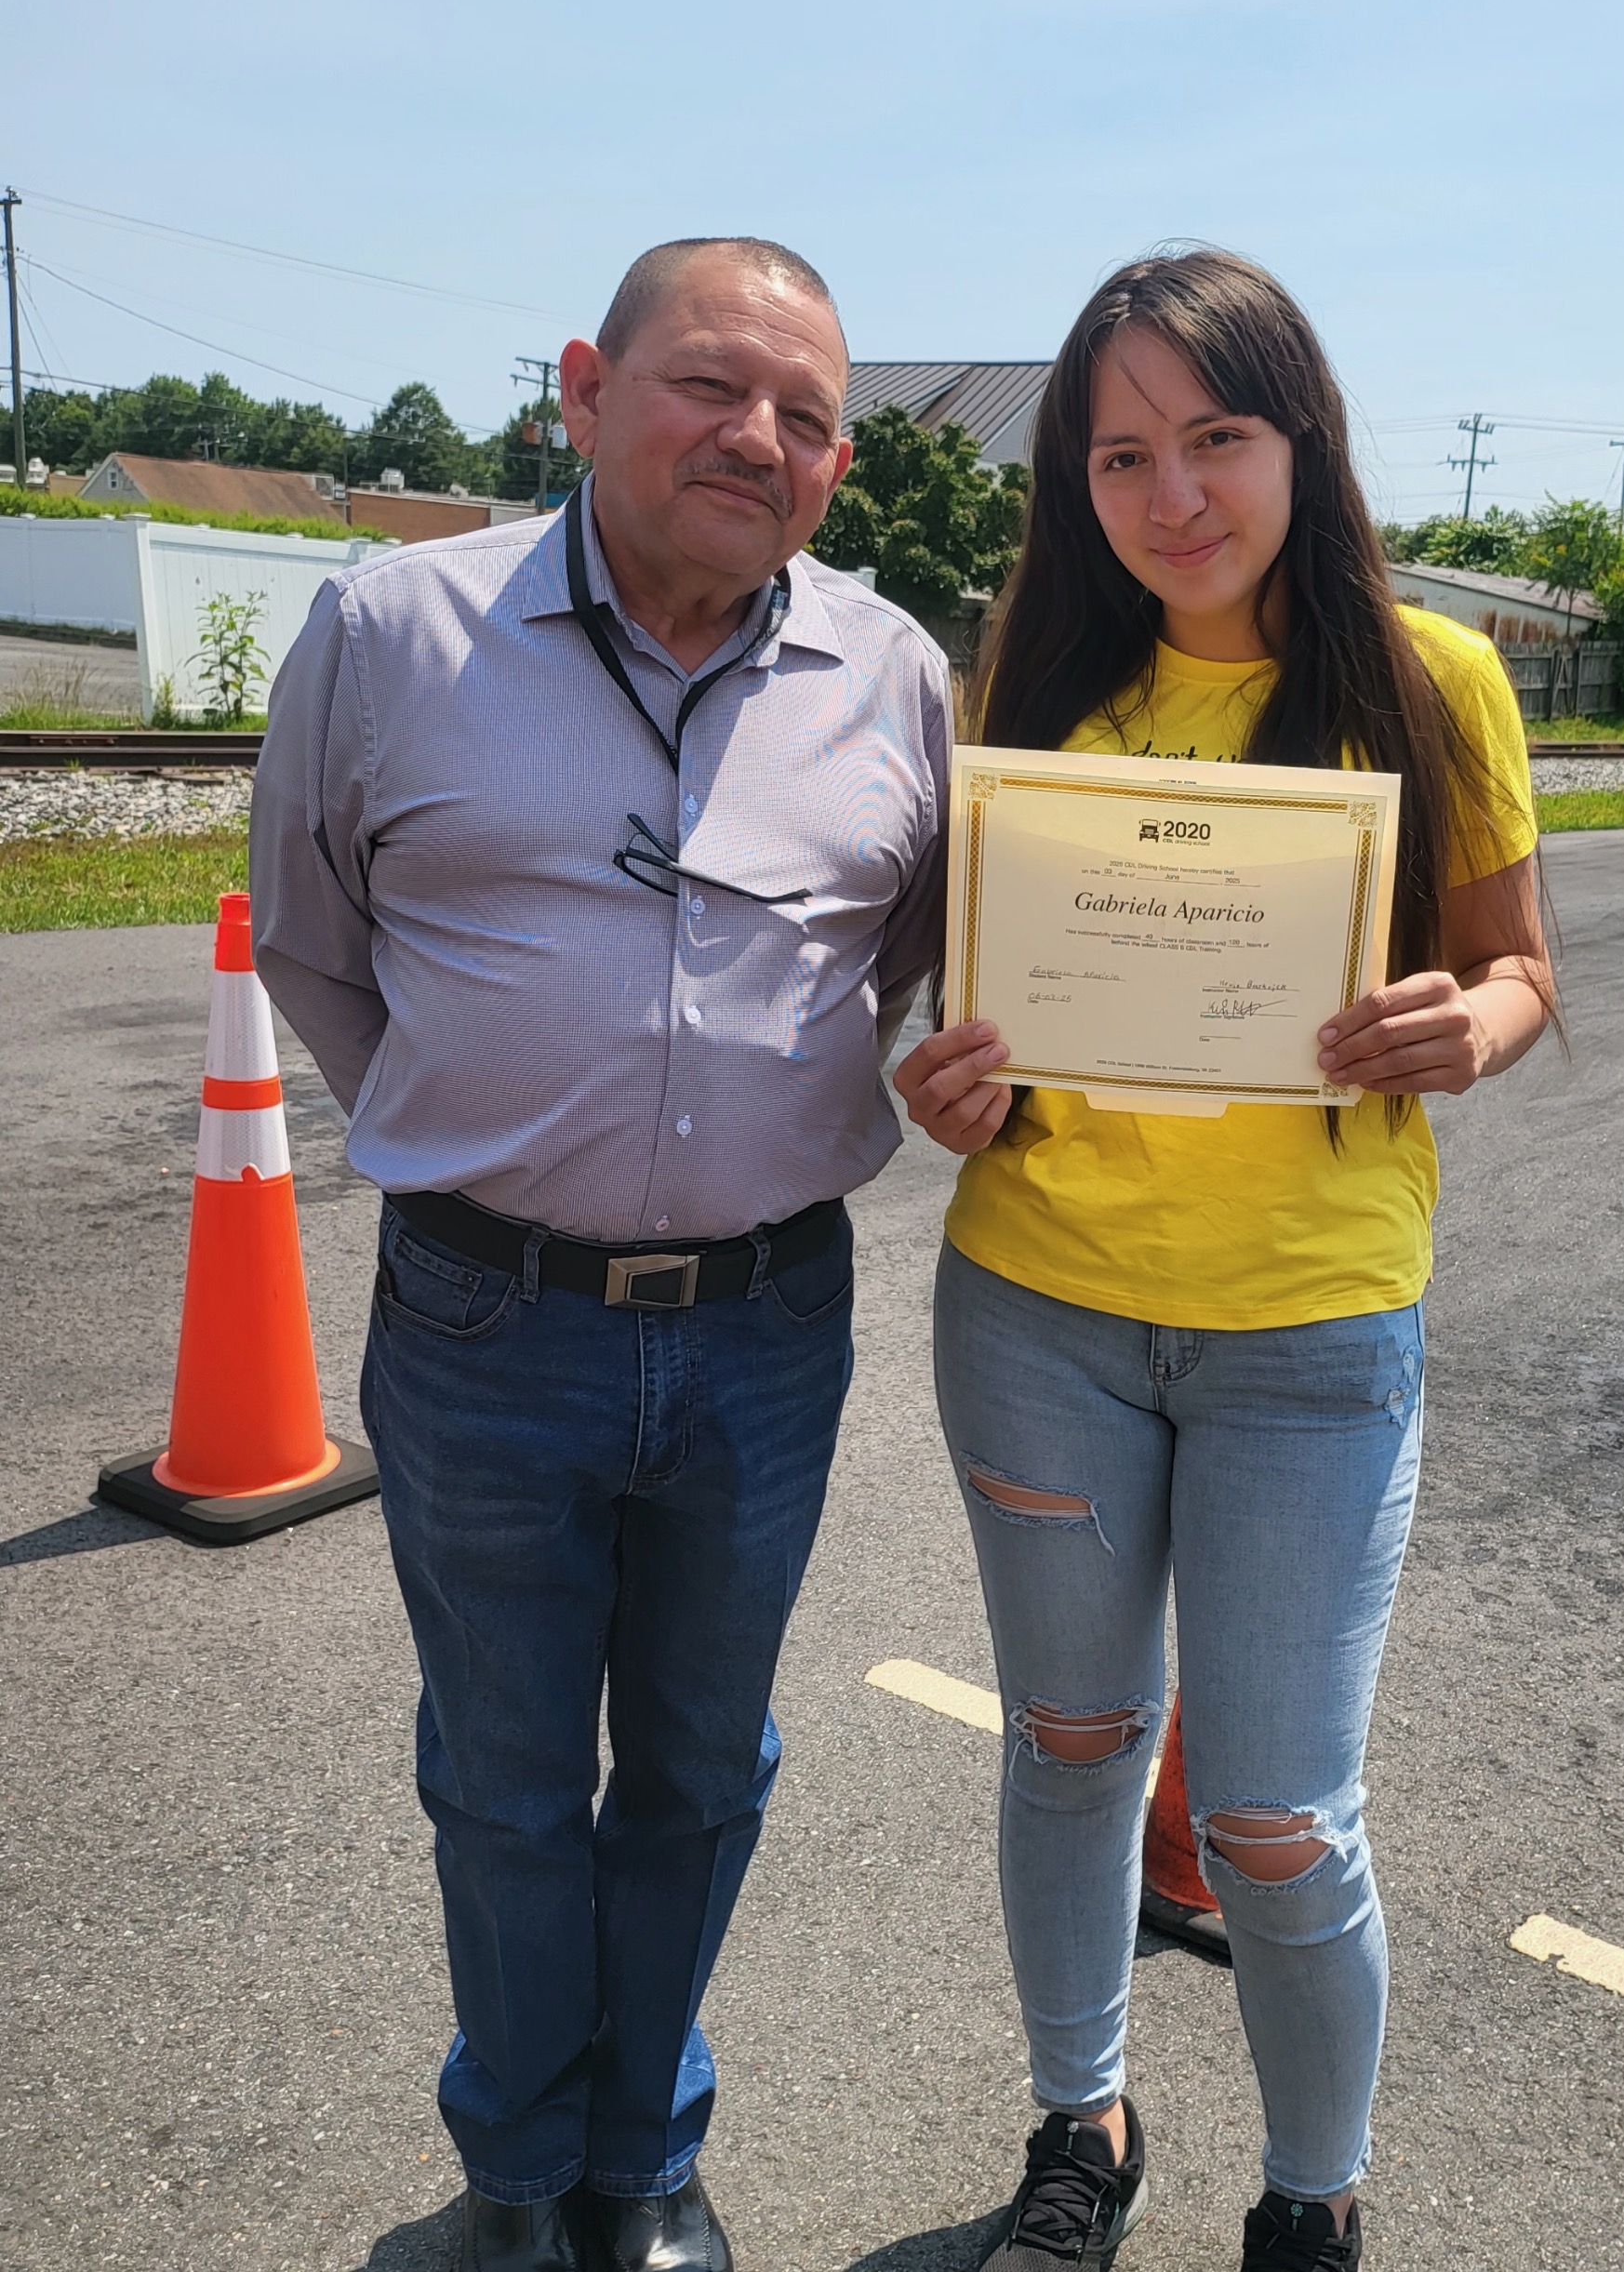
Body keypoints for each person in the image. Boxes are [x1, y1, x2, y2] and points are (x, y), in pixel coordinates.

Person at [250, 238, 949, 2272]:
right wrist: (490, 1125)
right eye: (714, 387)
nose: (762, 439)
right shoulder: (393, 627)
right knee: (501, 1780)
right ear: (580, 385)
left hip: (762, 1324)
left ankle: (645, 2159)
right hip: (483, 1316)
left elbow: (889, 965)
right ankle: (516, 2169)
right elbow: (309, 930)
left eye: (808, 418)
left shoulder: (893, 670)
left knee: (706, 1769)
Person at [894, 249, 1553, 2272]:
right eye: (1118, 453)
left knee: (1276, 1818)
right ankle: (1080, 2123)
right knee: (1072, 1742)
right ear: (1070, 479)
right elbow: (974, 1003)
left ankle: (1311, 2193)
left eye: (1214, 438)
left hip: (1307, 1330)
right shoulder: (1023, 674)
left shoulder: (1428, 678)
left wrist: (1470, 1021)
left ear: (1299, 440)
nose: (1169, 494)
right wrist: (950, 1085)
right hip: (1039, 1306)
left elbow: (1517, 965)